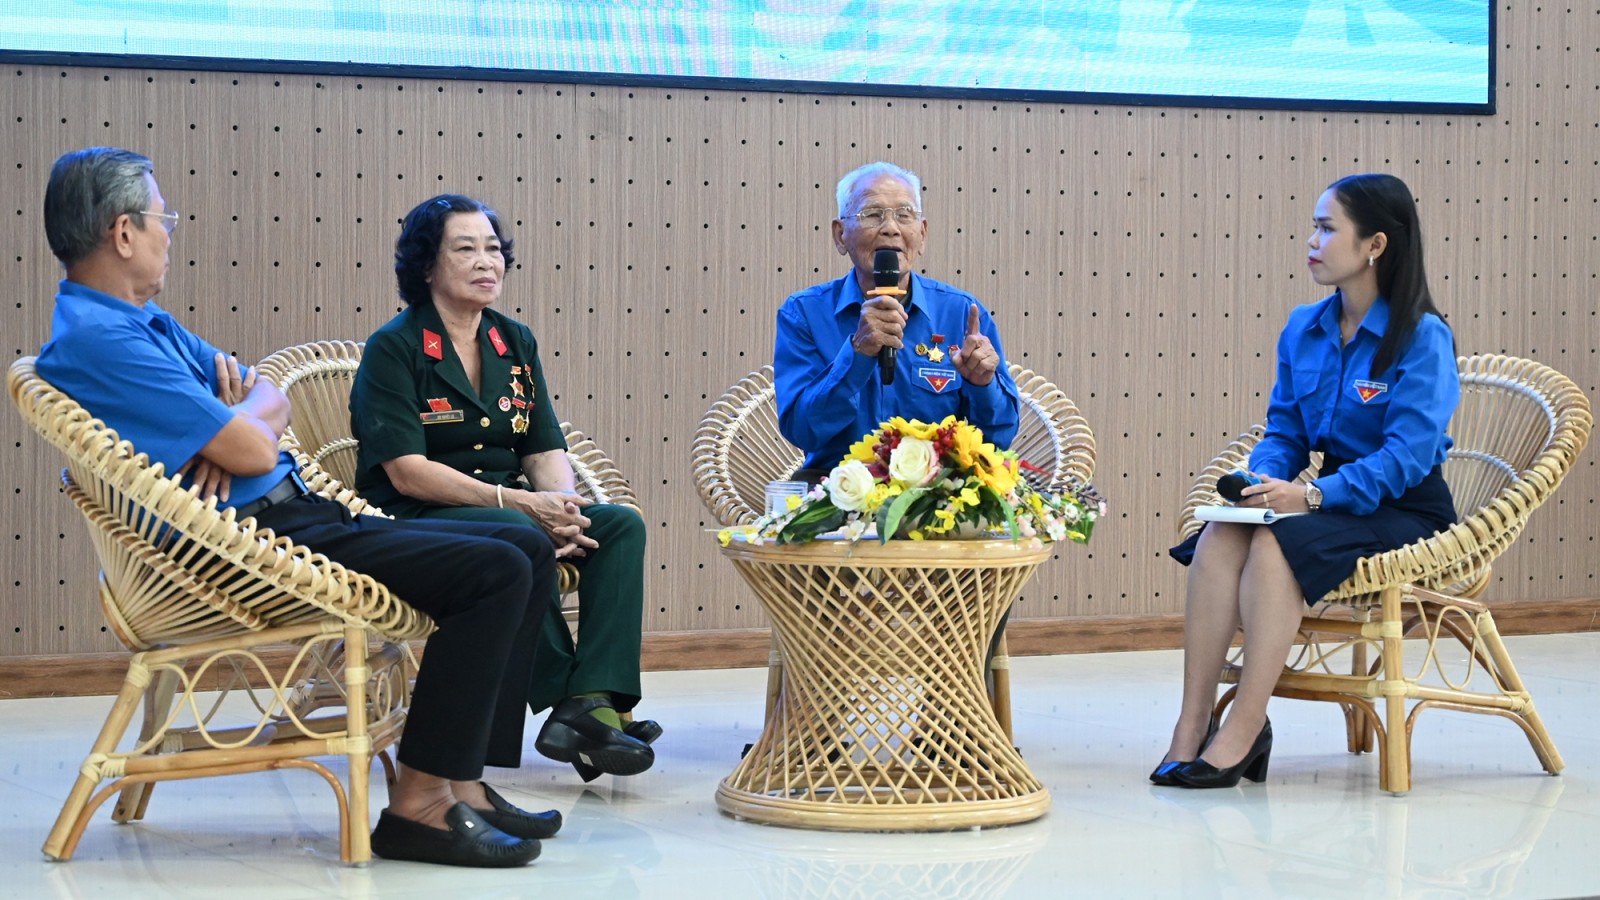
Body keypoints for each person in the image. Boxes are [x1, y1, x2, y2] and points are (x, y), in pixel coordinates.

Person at [36, 147, 564, 868]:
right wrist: (241, 432)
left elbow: (266, 391)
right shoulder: (102, 340)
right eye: (165, 220)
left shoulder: (141, 320)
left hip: (291, 516)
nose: (170, 235)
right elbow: (256, 449)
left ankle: (461, 781)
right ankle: (418, 807)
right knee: (498, 570)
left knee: (526, 547)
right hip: (249, 544)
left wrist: (235, 420)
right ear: (124, 233)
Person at [1157, 173, 1459, 788]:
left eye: (1326, 229)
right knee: (1221, 535)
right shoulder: (1305, 327)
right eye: (1313, 227)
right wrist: (1263, 477)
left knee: (1274, 545)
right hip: (1334, 501)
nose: (1312, 241)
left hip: (1405, 509)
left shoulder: (1423, 337)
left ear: (1374, 245)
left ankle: (1244, 728)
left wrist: (1314, 495)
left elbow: (1406, 457)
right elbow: (1287, 431)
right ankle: (1192, 724)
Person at [349, 194, 657, 783]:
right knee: (518, 532)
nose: (486, 261)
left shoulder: (513, 340)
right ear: (426, 265)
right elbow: (406, 471)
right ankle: (574, 709)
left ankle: (590, 702)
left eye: (493, 248)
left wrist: (563, 508)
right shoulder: (395, 346)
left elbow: (542, 447)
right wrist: (520, 505)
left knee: (619, 526)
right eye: (465, 249)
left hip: (510, 508)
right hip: (416, 514)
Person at [774, 161, 1021, 481]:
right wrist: (857, 354)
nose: (890, 227)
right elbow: (802, 430)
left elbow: (999, 439)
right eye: (872, 214)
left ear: (922, 234)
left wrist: (982, 385)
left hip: (937, 494)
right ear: (840, 235)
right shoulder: (804, 313)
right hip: (837, 491)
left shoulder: (962, 313)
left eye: (904, 215)